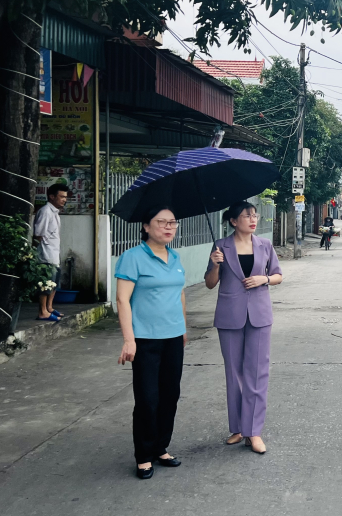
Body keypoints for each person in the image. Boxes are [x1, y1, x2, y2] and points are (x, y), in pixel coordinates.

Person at [115, 206, 188, 480]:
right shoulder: (132, 258)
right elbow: (122, 300)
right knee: (147, 399)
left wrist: (183, 326)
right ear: (146, 226)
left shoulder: (175, 257)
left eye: (173, 222)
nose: (168, 227)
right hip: (145, 339)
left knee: (170, 396)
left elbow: (180, 293)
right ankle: (144, 455)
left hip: (173, 337)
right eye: (161, 222)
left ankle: (160, 446)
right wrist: (128, 339)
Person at [205, 202, 283, 455]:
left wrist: (265, 279)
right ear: (233, 221)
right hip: (229, 316)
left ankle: (254, 431)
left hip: (259, 315)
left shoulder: (265, 245)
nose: (252, 219)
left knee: (257, 372)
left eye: (254, 215)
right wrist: (215, 263)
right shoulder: (220, 246)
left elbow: (278, 275)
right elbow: (209, 283)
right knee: (234, 373)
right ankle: (238, 427)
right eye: (246, 215)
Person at [33, 184, 69, 321]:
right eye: (61, 197)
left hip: (54, 254)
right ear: (52, 196)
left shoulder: (55, 213)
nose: (64, 200)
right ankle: (43, 311)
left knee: (53, 283)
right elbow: (38, 234)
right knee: (45, 284)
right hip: (46, 255)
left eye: (65, 197)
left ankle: (49, 308)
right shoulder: (45, 211)